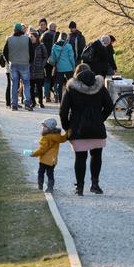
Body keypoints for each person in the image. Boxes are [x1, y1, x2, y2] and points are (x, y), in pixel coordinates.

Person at [60, 64, 114, 196]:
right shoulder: (99, 87)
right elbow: (109, 106)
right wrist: (100, 119)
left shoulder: (71, 88)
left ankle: (80, 188)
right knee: (97, 156)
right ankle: (95, 185)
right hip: (97, 128)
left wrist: (67, 127)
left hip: (78, 129)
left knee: (80, 158)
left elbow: (63, 111)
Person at [3, 22, 34, 111]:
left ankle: (14, 104)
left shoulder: (9, 39)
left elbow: (5, 52)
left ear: (14, 30)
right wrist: (30, 61)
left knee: (14, 84)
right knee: (26, 84)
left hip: (13, 64)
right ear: (21, 30)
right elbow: (32, 52)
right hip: (25, 64)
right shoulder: (27, 39)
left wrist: (9, 60)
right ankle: (27, 103)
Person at [31, 118, 68, 192]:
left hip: (44, 160)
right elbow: (64, 138)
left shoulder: (45, 137)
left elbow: (43, 149)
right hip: (53, 160)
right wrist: (68, 131)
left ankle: (40, 185)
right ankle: (50, 187)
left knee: (41, 172)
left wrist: (34, 154)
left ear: (49, 128)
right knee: (50, 173)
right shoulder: (57, 136)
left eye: (44, 126)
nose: (42, 128)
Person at [50, 32, 76, 103]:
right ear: (66, 38)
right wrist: (74, 67)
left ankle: (60, 100)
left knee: (59, 84)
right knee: (71, 84)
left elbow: (53, 58)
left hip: (59, 68)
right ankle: (71, 98)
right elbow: (71, 58)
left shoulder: (55, 46)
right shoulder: (69, 46)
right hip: (69, 68)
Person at [29, 32, 49, 108]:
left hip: (39, 69)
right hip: (30, 69)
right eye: (30, 36)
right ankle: (33, 102)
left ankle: (40, 102)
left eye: (32, 36)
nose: (30, 38)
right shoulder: (29, 46)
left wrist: (42, 65)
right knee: (31, 87)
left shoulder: (41, 46)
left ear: (36, 37)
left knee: (39, 87)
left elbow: (45, 56)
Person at [41, 22, 59, 102]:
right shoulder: (57, 35)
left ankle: (47, 96)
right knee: (55, 78)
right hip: (55, 59)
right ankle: (56, 96)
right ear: (54, 27)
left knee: (47, 78)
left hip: (46, 60)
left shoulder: (44, 35)